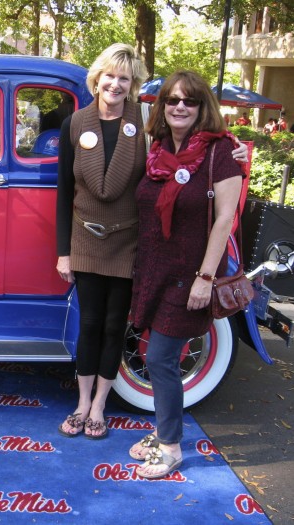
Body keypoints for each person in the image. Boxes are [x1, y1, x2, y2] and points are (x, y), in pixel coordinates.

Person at [129, 70, 244, 479]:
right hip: (154, 271)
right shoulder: (157, 150)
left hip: (189, 274)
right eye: (172, 100)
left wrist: (206, 276)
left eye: (189, 101)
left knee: (160, 358)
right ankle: (163, 430)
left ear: (202, 108)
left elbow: (224, 219)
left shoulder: (222, 153)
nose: (179, 106)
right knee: (156, 357)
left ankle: (171, 446)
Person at [56, 43, 148, 439]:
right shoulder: (75, 123)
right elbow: (63, 191)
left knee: (114, 327)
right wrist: (64, 252)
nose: (115, 83)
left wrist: (225, 147)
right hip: (86, 240)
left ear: (132, 85)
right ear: (97, 78)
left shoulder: (144, 124)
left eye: (124, 78)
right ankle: (80, 402)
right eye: (109, 75)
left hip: (128, 240)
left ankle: (99, 406)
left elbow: (190, 141)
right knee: (89, 323)